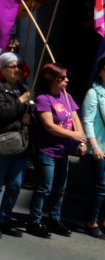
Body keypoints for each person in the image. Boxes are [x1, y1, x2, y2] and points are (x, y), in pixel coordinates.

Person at [28, 62, 86, 238]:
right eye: (62, 78)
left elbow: (75, 118)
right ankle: (34, 221)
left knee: (60, 188)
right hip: (47, 151)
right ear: (51, 79)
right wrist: (73, 136)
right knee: (45, 187)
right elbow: (49, 126)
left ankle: (54, 218)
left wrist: (81, 140)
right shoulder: (43, 99)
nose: (67, 80)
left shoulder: (66, 96)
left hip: (63, 151)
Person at [0, 52, 34, 239]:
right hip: (1, 143)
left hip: (20, 144)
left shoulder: (24, 87)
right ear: (3, 69)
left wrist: (29, 117)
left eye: (19, 66)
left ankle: (5, 218)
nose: (17, 70)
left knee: (15, 184)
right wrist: (20, 101)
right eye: (13, 66)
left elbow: (31, 112)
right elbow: (1, 113)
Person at [83, 56, 105, 239]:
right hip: (99, 146)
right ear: (100, 72)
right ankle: (92, 221)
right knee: (101, 186)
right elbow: (88, 121)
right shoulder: (94, 93)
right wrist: (94, 146)